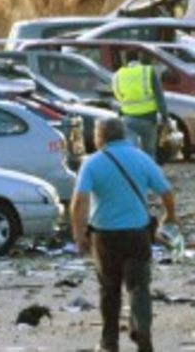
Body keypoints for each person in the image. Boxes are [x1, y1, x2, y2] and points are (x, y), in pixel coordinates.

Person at [70, 117, 178, 352]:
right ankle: (142, 329)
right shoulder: (141, 158)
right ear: (123, 135)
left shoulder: (92, 163)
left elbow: (79, 202)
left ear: (101, 137)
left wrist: (79, 234)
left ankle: (109, 342)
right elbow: (166, 192)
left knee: (109, 289)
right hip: (137, 234)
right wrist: (169, 216)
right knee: (139, 287)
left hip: (104, 237)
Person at [112, 51, 168, 161]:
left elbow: (118, 96)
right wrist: (164, 115)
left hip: (128, 118)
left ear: (125, 60)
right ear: (139, 58)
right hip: (149, 118)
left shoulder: (118, 75)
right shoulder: (148, 71)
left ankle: (133, 174)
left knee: (131, 151)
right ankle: (149, 174)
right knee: (149, 151)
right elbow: (159, 95)